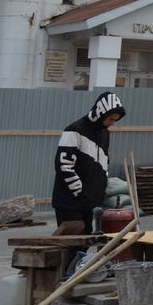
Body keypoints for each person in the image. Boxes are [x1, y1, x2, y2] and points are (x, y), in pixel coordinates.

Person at [52, 91, 126, 235]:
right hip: (70, 202)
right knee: (71, 247)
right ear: (101, 113)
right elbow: (64, 166)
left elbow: (104, 165)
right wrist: (82, 193)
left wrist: (98, 194)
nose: (112, 123)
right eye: (111, 119)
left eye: (115, 120)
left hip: (90, 203)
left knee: (85, 243)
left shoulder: (104, 133)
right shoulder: (74, 130)